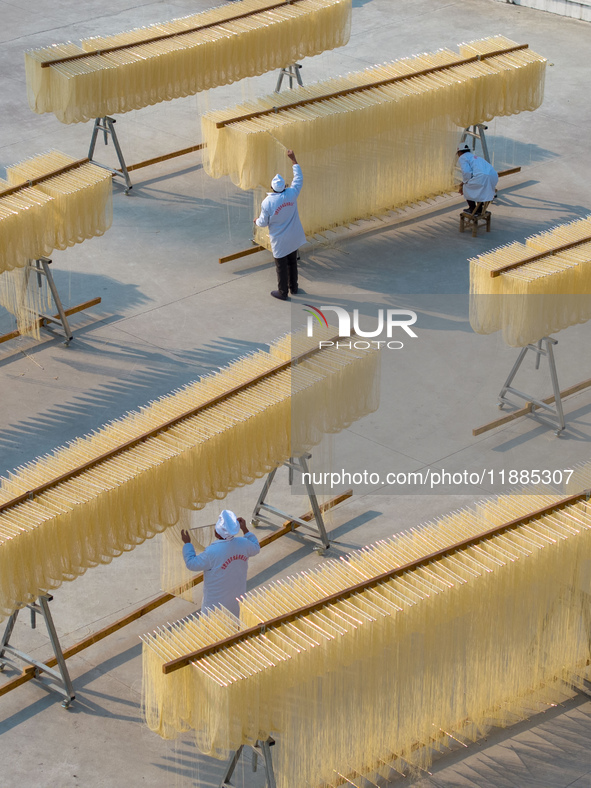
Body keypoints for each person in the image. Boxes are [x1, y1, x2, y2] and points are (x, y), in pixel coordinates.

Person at [180, 509, 260, 618]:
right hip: (236, 599)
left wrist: (187, 544)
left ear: (217, 532)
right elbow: (255, 547)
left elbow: (192, 563)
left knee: (215, 629)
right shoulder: (244, 544)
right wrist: (245, 529)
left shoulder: (212, 552)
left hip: (215, 605)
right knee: (233, 623)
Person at [255, 149, 306, 301]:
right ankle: (294, 288)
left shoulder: (268, 202)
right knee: (292, 262)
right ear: (284, 186)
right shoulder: (291, 193)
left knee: (281, 266)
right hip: (293, 235)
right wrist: (293, 159)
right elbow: (299, 179)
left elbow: (263, 222)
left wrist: (256, 221)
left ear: (272, 188)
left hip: (280, 239)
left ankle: (283, 292)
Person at [457, 141, 498, 216]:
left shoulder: (462, 157)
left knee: (466, 188)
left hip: (482, 177)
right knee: (482, 191)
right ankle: (479, 209)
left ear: (459, 152)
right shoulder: (474, 157)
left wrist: (463, 183)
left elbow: (466, 172)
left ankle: (472, 209)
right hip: (493, 176)